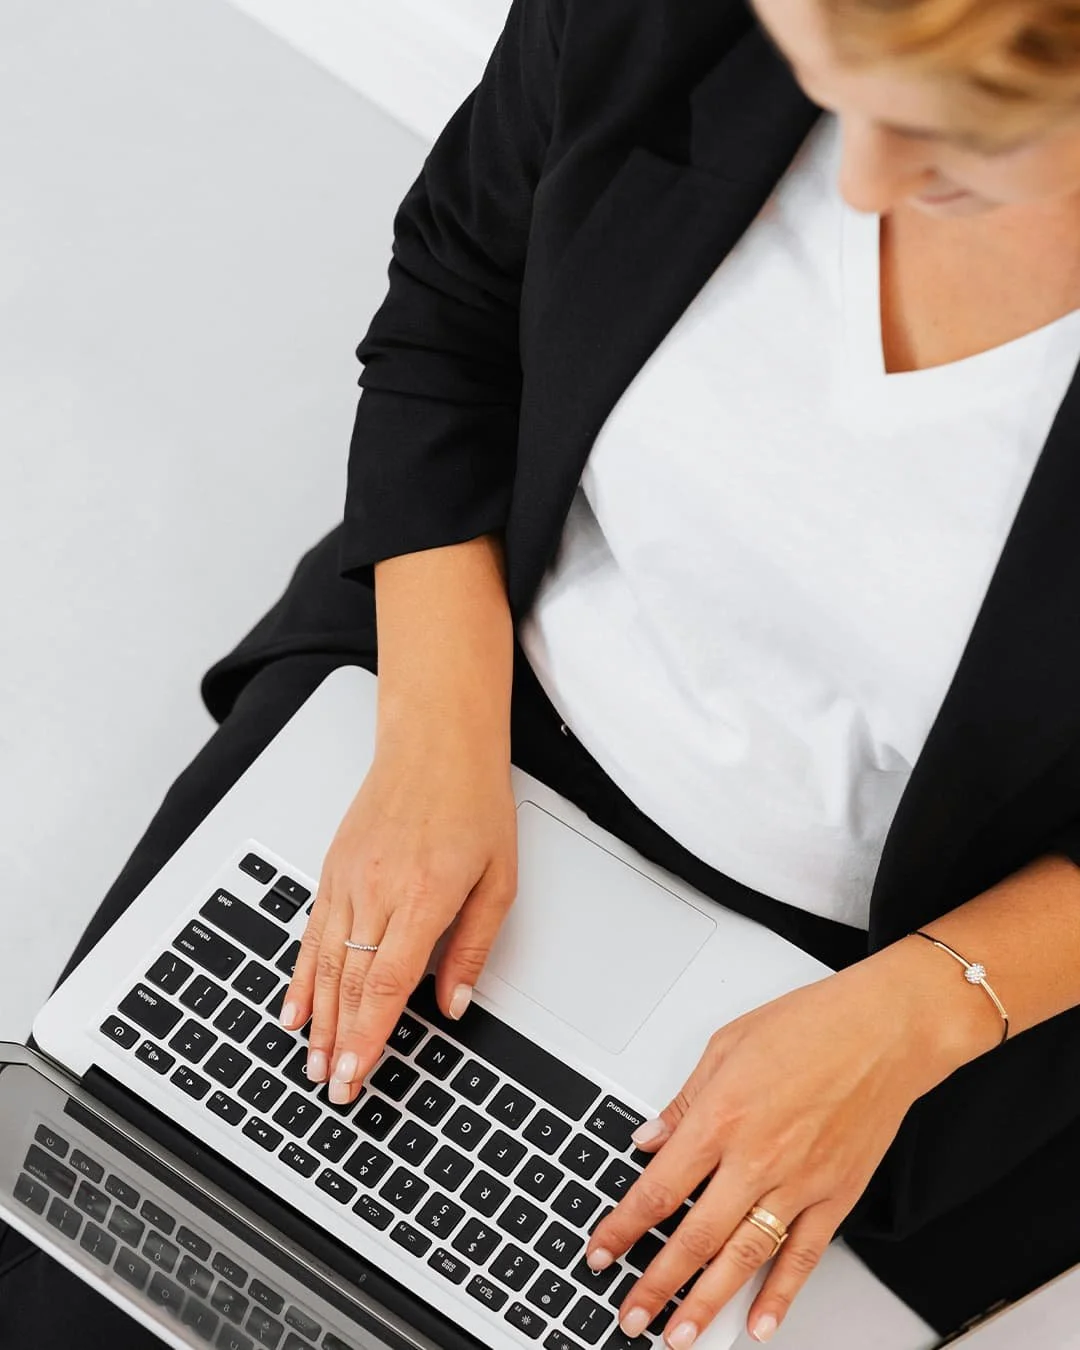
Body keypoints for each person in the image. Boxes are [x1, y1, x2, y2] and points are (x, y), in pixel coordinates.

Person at [7, 0, 1080, 1345]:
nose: (856, 186)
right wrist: (431, 742)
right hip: (473, 696)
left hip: (918, 944)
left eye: (954, 148)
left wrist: (923, 1012)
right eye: (822, 82)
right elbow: (456, 305)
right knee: (91, 1267)